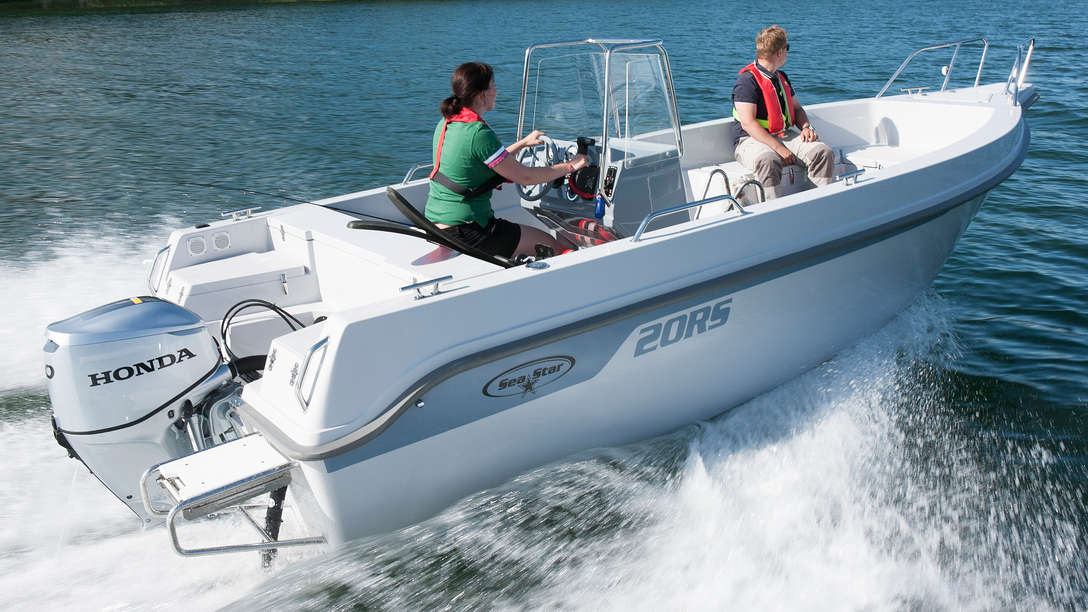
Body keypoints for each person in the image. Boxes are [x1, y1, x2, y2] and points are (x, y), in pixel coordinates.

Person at [425, 61, 588, 259]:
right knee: (558, 247)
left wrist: (523, 143)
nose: (497, 91)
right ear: (482, 94)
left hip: (437, 222)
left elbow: (491, 160)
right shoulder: (478, 133)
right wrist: (571, 165)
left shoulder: (448, 122)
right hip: (469, 230)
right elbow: (526, 177)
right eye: (493, 86)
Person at [731, 25, 835, 200]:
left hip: (783, 134)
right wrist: (778, 148)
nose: (788, 52)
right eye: (787, 48)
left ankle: (817, 202)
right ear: (779, 52)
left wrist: (806, 127)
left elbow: (796, 109)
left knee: (822, 152)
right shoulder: (746, 82)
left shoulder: (781, 78)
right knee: (768, 160)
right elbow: (748, 123)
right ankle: (772, 212)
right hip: (749, 140)